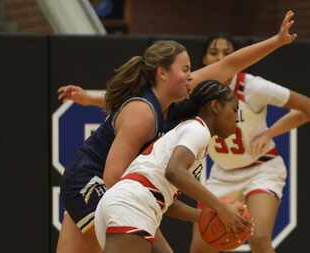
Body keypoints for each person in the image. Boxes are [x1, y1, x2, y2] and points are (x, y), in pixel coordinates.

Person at [56, 11, 297, 253]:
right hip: (93, 181)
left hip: (121, 190)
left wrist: (276, 41)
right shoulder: (144, 114)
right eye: (185, 69)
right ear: (162, 73)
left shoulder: (176, 96)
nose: (191, 75)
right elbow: (115, 179)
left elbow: (229, 65)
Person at [186, 34, 310, 253]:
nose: (220, 58)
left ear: (239, 56)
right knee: (200, 248)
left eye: (227, 52)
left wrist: (271, 133)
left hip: (262, 168)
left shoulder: (253, 87)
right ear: (204, 59)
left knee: (259, 238)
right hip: (222, 173)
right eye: (214, 52)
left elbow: (306, 106)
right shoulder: (195, 93)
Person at [94, 80, 251, 253]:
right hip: (132, 205)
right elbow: (174, 172)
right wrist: (221, 208)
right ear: (215, 106)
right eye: (234, 110)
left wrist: (204, 216)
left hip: (127, 202)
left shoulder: (190, 131)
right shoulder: (198, 130)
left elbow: (164, 199)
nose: (237, 118)